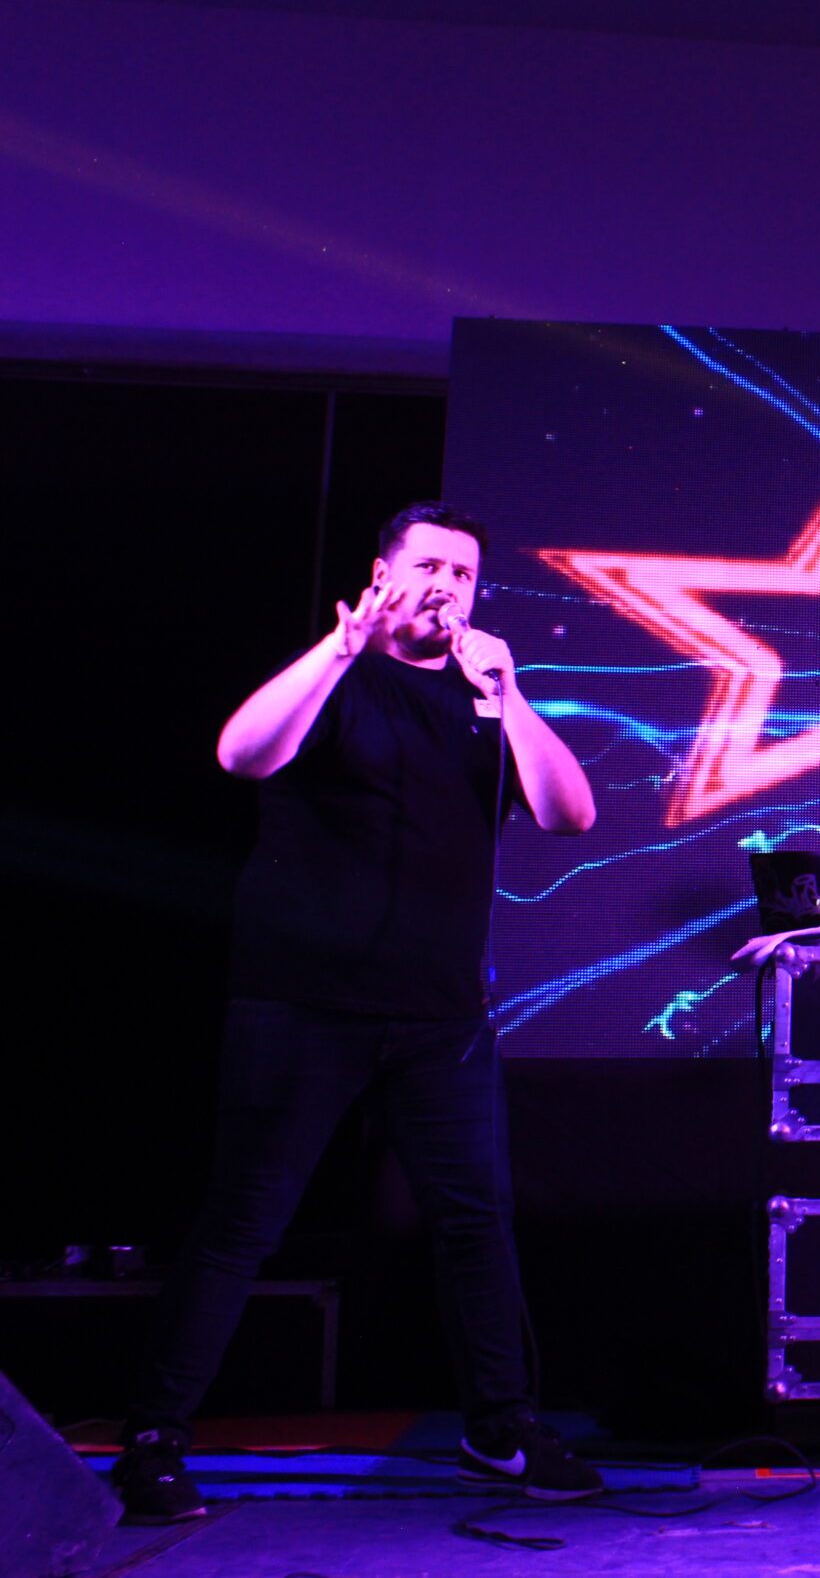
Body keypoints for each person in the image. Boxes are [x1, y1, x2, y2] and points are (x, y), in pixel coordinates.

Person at [111, 503, 601, 1524]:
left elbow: (572, 814)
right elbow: (242, 755)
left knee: (476, 1223)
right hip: (302, 1003)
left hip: (441, 1017)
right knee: (245, 1220)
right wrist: (340, 649)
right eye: (429, 566)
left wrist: (509, 697)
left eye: (464, 574)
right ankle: (154, 1439)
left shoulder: (482, 699)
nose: (446, 587)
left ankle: (500, 1431)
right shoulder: (334, 676)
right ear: (381, 575)